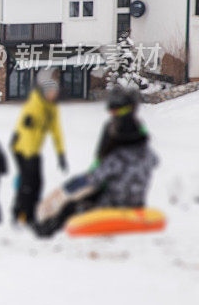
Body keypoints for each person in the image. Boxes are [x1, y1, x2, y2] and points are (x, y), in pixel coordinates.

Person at [35, 86, 158, 236]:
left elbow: (97, 176)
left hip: (115, 200)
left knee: (72, 205)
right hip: (138, 199)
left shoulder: (117, 157)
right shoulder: (147, 154)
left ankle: (46, 231)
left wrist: (77, 183)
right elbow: (152, 162)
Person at [10, 72, 68, 226]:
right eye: (51, 93)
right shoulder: (34, 106)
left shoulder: (51, 108)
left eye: (55, 93)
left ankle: (30, 213)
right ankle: (20, 214)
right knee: (28, 183)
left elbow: (56, 131)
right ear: (44, 92)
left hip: (34, 151)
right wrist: (29, 157)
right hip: (23, 150)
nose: (53, 95)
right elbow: (25, 133)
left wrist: (61, 153)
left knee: (37, 183)